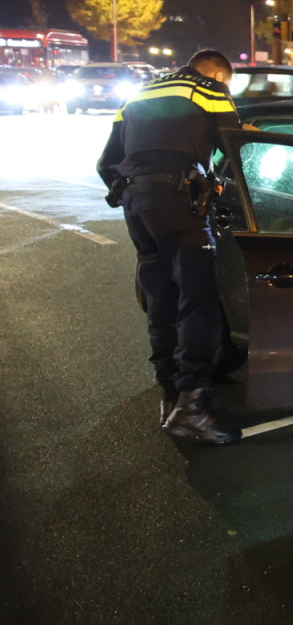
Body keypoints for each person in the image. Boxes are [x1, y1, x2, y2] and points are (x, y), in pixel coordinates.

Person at [97, 50, 243, 446]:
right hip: (178, 203)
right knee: (199, 299)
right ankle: (193, 407)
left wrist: (137, 193)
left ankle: (170, 395)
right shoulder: (210, 89)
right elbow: (238, 152)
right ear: (216, 73)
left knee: (161, 295)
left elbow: (106, 164)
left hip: (135, 206)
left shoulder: (138, 95)